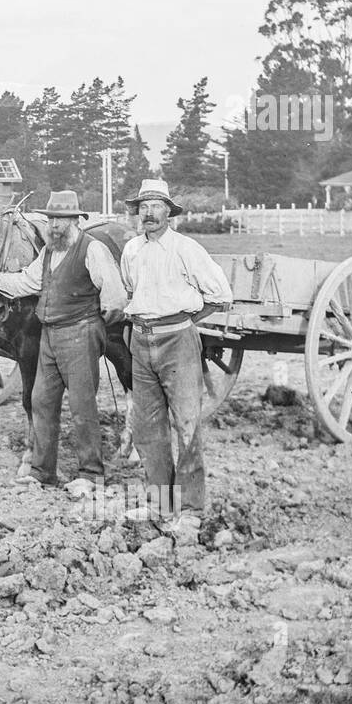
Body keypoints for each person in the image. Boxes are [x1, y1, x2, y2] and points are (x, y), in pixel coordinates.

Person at [0, 190, 127, 487]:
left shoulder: (92, 250)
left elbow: (115, 298)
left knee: (82, 406)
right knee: (40, 401)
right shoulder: (49, 252)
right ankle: (41, 471)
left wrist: (95, 327)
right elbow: (25, 281)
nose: (54, 225)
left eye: (60, 220)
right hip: (49, 336)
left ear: (75, 220)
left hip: (79, 335)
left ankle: (91, 474)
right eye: (51, 219)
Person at [120, 179, 233, 515]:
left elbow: (220, 295)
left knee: (186, 424)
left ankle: (191, 510)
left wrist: (185, 321)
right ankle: (161, 505)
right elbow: (130, 291)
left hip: (178, 341)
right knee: (146, 429)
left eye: (156, 206)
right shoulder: (131, 250)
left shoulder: (186, 249)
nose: (149, 213)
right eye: (143, 207)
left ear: (168, 212)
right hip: (141, 341)